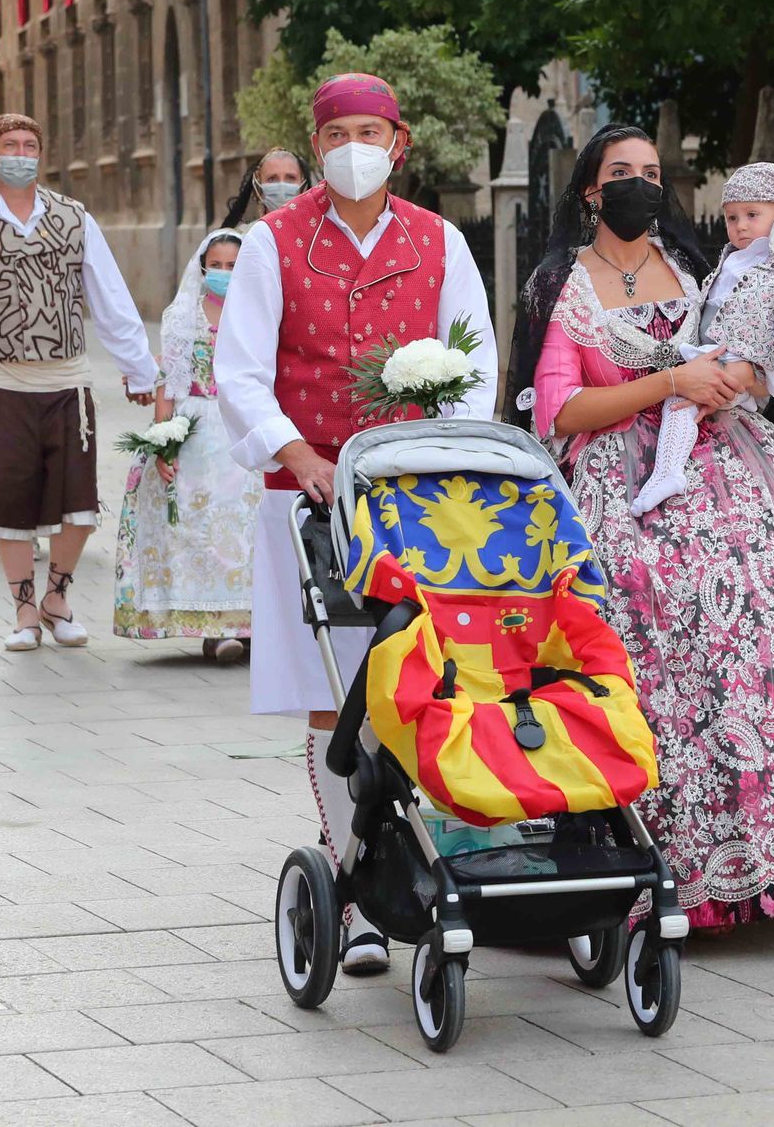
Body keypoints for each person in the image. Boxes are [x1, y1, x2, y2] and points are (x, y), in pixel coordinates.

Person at [509, 124, 774, 931]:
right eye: (621, 173)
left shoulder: (697, 265)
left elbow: (755, 339)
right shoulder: (561, 283)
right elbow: (561, 408)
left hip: (735, 458)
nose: (640, 183)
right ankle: (685, 857)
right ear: (589, 192)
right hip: (622, 480)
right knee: (669, 622)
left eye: (652, 170)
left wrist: (738, 375)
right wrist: (670, 379)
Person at [216, 72, 496, 976]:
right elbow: (241, 372)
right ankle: (355, 879)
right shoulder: (272, 243)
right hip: (308, 499)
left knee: (431, 673)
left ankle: (436, 851)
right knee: (334, 692)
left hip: (419, 500)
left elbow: (477, 360)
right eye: (336, 134)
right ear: (317, 141)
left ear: (399, 141)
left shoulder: (440, 239)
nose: (352, 148)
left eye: (369, 130)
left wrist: (449, 449)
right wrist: (296, 455)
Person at [0, 114, 156, 650]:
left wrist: (138, 367)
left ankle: (58, 596)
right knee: (9, 504)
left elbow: (109, 296)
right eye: (11, 145)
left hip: (66, 382)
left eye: (30, 145)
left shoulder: (74, 218)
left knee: (79, 505)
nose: (22, 153)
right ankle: (24, 611)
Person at [629, 162, 774, 516]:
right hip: (715, 355)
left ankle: (668, 471)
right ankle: (668, 469)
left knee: (681, 400)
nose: (741, 226)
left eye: (751, 215)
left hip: (744, 363)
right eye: (732, 218)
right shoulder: (732, 260)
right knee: (682, 397)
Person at [113, 229, 258, 658]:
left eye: (233, 266)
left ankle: (247, 625)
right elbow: (168, 383)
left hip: (241, 428)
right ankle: (212, 629)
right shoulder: (182, 317)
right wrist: (162, 439)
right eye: (217, 265)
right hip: (194, 427)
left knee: (243, 527)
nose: (224, 273)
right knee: (196, 528)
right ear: (202, 267)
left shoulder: (258, 314)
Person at [218, 149, 312, 231]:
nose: (281, 186)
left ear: (302, 184)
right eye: (272, 179)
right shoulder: (243, 238)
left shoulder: (317, 235)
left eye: (290, 178)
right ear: (259, 187)